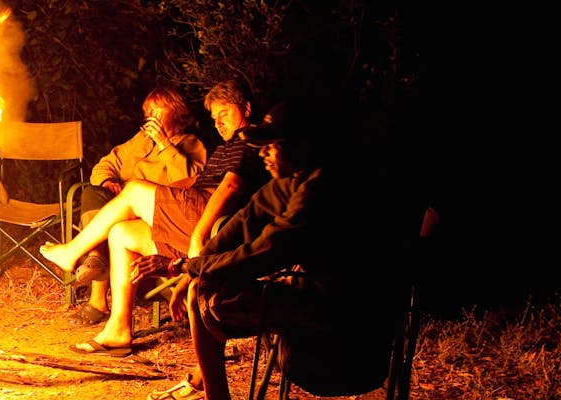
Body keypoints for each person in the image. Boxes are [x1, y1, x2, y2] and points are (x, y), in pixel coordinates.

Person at [151, 112, 413, 399]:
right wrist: (192, 270)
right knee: (200, 286)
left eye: (272, 146)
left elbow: (266, 252)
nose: (263, 154)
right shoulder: (295, 180)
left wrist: (187, 267)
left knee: (204, 293)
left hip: (346, 319)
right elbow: (244, 223)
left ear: (300, 145)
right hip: (316, 297)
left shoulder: (322, 187)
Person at [39, 79, 270, 356]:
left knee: (135, 190)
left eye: (225, 114)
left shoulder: (250, 141)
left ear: (245, 108)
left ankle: (72, 251)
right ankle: (118, 329)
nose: (218, 123)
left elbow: (229, 188)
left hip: (212, 225)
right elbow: (194, 181)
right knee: (121, 233)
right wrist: (156, 195)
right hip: (193, 215)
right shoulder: (225, 147)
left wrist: (200, 236)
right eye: (214, 117)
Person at [65, 86, 209, 326]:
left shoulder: (191, 144)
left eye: (157, 110)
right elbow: (105, 164)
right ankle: (95, 259)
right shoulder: (140, 141)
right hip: (121, 205)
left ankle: (97, 299)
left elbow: (190, 182)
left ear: (176, 113)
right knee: (93, 192)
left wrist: (164, 145)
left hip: (155, 214)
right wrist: (109, 181)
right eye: (148, 111)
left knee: (114, 224)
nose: (151, 115)